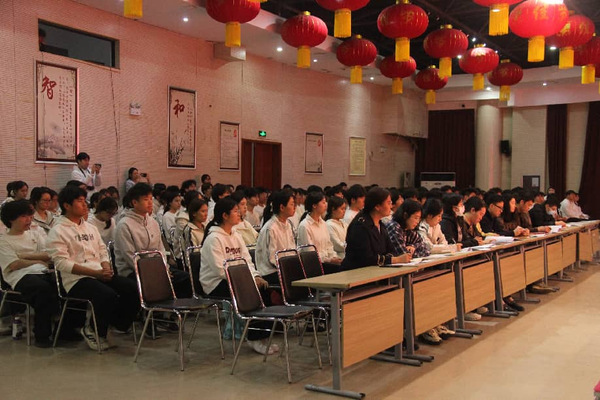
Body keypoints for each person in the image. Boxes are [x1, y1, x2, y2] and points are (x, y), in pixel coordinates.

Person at [46, 186, 139, 351]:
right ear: (67, 205)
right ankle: (93, 330)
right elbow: (61, 263)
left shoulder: (90, 227)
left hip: (99, 273)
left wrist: (106, 267)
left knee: (132, 288)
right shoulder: (58, 230)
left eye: (85, 201)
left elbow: (102, 251)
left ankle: (113, 323)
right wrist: (96, 273)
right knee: (106, 294)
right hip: (76, 279)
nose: (85, 205)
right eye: (80, 201)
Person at [200, 198, 276, 355]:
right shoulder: (213, 238)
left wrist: (255, 276)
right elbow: (220, 270)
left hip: (238, 279)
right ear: (225, 215)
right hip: (216, 283)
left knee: (265, 289)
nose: (239, 213)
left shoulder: (236, 235)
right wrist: (247, 280)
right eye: (235, 211)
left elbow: (247, 260)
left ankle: (263, 336)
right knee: (253, 293)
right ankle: (254, 338)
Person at [114, 183, 192, 298]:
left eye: (151, 199)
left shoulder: (152, 222)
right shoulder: (124, 225)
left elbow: (160, 249)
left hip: (157, 267)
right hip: (133, 271)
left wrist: (164, 268)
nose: (150, 202)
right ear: (134, 202)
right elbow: (130, 256)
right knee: (157, 282)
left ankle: (177, 307)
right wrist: (154, 272)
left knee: (185, 278)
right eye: (146, 200)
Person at [0, 200, 59, 348]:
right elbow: (14, 264)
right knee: (42, 289)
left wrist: (25, 257)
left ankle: (63, 328)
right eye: (24, 216)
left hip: (42, 271)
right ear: (11, 219)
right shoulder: (3, 241)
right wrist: (37, 260)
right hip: (18, 276)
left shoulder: (35, 234)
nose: (29, 220)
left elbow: (49, 254)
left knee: (62, 283)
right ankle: (42, 334)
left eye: (30, 216)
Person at [342, 187, 411, 270]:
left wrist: (391, 258)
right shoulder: (360, 226)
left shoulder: (381, 225)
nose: (391, 206)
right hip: (356, 272)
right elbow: (366, 258)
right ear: (377, 206)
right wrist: (395, 260)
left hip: (376, 270)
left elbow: (391, 250)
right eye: (388, 203)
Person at [255, 189, 296, 285]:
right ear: (282, 207)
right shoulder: (271, 228)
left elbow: (292, 250)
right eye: (291, 204)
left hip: (285, 268)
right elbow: (272, 259)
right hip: (270, 271)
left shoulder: (288, 224)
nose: (294, 207)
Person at [297, 192, 342, 273]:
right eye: (323, 202)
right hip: (313, 266)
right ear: (314, 205)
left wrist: (334, 257)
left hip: (326, 263)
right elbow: (310, 253)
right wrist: (329, 260)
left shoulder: (323, 223)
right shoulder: (305, 226)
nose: (326, 205)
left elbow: (329, 245)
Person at [325, 196, 348, 260]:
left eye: (345, 209)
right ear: (333, 209)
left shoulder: (344, 223)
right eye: (342, 209)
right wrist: (352, 246)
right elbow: (337, 245)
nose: (344, 211)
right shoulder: (329, 224)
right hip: (339, 256)